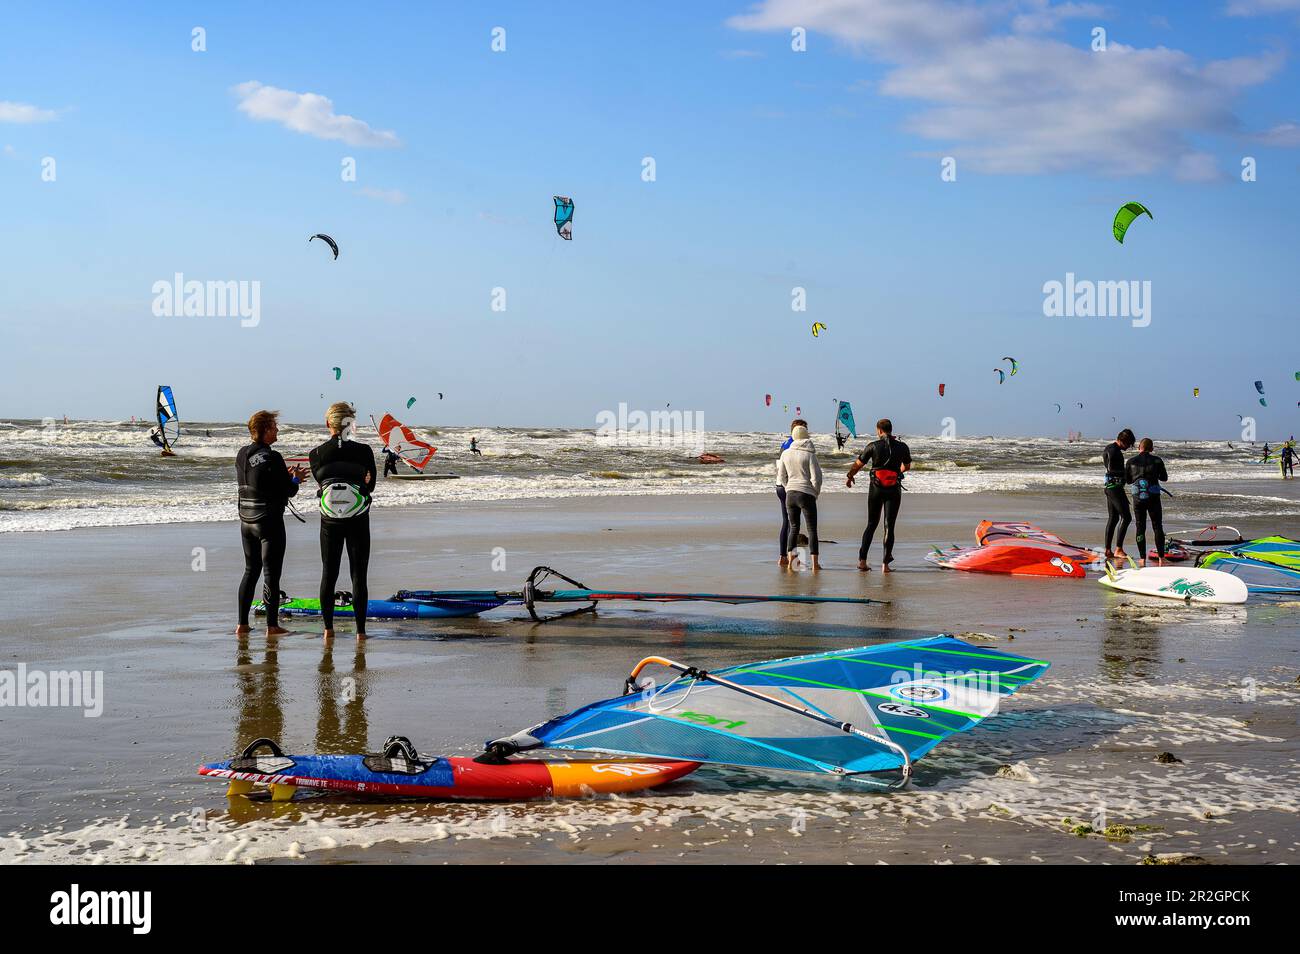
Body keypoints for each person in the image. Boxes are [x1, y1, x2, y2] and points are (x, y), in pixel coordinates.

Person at [236, 410, 306, 636]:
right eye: (274, 427)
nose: (277, 431)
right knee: (271, 574)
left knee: (250, 571)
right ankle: (272, 626)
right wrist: (295, 479)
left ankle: (242, 624)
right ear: (265, 430)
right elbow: (288, 490)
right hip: (268, 522)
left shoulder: (241, 454)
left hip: (246, 520)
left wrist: (283, 478)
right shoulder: (273, 456)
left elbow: (259, 480)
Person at [310, 402, 376, 640]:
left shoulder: (315, 454)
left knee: (329, 573)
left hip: (330, 521)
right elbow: (370, 486)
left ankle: (328, 629)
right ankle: (360, 632)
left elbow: (322, 485)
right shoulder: (364, 451)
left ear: (329, 424)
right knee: (359, 575)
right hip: (358, 519)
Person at [846, 418, 912, 572]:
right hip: (893, 489)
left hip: (876, 488)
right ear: (890, 429)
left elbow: (858, 465)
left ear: (879, 430)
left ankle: (862, 561)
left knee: (871, 524)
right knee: (889, 526)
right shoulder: (902, 447)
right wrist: (896, 473)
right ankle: (885, 565)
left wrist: (849, 477)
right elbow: (907, 466)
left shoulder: (873, 446)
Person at [776, 422, 822, 570]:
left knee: (794, 527)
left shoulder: (785, 453)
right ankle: (815, 564)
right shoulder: (809, 454)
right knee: (812, 529)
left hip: (790, 494)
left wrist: (788, 487)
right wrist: (815, 492)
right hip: (806, 494)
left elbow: (781, 475)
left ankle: (791, 562)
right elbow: (817, 478)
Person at [1126, 437, 1169, 567]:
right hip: (1153, 497)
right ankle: (1161, 558)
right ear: (1152, 449)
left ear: (1139, 447)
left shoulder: (1130, 461)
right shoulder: (1157, 460)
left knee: (1140, 526)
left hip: (1138, 498)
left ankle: (1142, 559)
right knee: (1157, 526)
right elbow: (1164, 478)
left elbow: (1127, 480)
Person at [1103, 429, 1135, 561]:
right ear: (1123, 440)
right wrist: (1126, 473)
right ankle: (1118, 549)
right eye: (1128, 444)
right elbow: (1111, 469)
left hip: (1111, 487)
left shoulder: (1111, 448)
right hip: (1115, 488)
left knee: (1114, 518)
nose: (1129, 447)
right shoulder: (1113, 451)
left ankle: (1108, 550)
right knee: (1126, 517)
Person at [775, 424, 797, 566]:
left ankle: (783, 557)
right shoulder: (794, 445)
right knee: (795, 524)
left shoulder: (785, 443)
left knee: (787, 522)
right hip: (789, 487)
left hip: (780, 486)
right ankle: (793, 559)